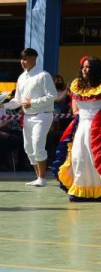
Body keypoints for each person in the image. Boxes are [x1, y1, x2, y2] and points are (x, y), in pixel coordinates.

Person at [56, 56, 101, 202]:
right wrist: (76, 111)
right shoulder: (77, 84)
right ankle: (81, 190)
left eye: (87, 67)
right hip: (82, 126)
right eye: (83, 67)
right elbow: (74, 99)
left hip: (100, 128)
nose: (84, 69)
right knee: (79, 157)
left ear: (96, 69)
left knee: (100, 157)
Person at [2, 48, 57, 186]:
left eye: (25, 58)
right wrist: (4, 105)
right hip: (27, 117)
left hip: (43, 116)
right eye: (22, 58)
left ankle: (43, 178)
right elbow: (17, 100)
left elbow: (52, 96)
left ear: (34, 59)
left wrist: (32, 102)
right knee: (28, 148)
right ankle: (39, 177)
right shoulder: (21, 77)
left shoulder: (44, 75)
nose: (22, 61)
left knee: (38, 144)